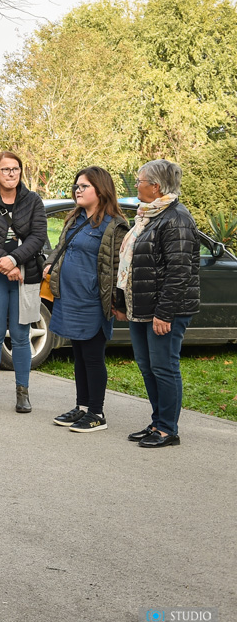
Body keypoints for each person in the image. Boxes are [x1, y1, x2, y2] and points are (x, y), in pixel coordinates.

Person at [114, 159, 200, 448]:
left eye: (139, 181)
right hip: (142, 306)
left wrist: (165, 313)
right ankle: (157, 422)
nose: (136, 185)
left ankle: (167, 429)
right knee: (148, 366)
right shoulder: (148, 215)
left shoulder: (177, 218)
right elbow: (133, 264)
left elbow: (180, 271)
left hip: (165, 310)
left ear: (156, 186)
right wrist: (122, 302)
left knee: (164, 366)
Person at [46, 167, 129, 434]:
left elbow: (119, 268)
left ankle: (97, 413)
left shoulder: (114, 225)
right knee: (79, 355)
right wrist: (50, 264)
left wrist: (118, 304)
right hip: (70, 297)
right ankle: (82, 407)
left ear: (100, 190)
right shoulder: (76, 217)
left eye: (84, 186)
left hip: (94, 300)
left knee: (93, 357)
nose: (77, 190)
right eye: (77, 186)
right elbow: (61, 247)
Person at [0, 152, 47, 414]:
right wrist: (5, 263)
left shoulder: (33, 200)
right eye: (5, 169)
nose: (11, 173)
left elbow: (38, 237)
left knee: (21, 335)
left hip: (25, 275)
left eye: (15, 168)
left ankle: (22, 393)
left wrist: (14, 260)